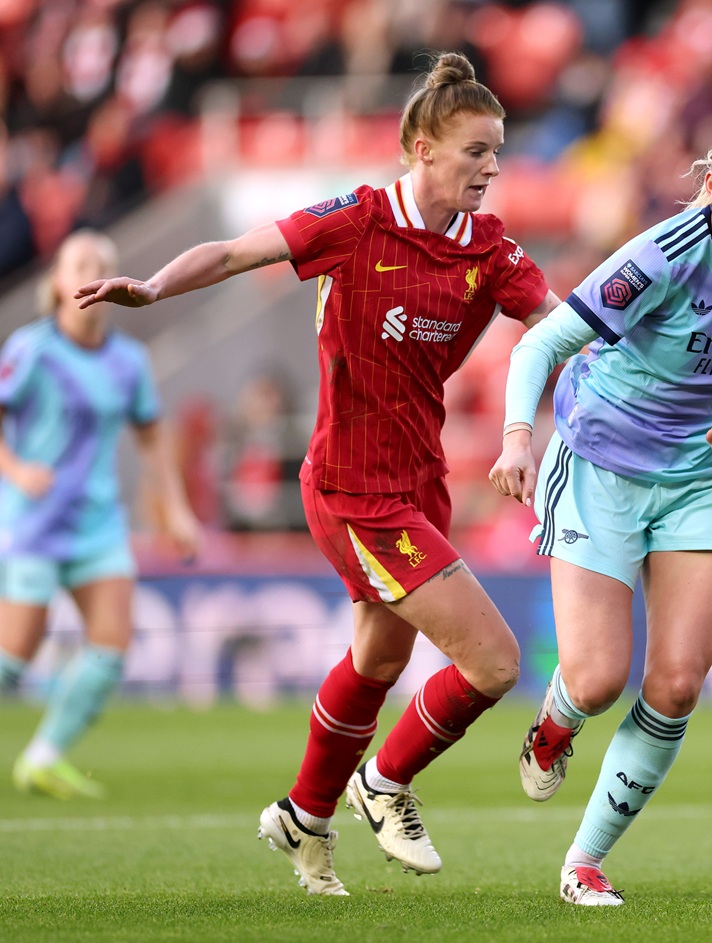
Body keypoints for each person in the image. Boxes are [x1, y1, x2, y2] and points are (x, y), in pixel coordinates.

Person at [76, 52, 559, 895]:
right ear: (422, 148)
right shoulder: (357, 220)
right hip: (351, 485)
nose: (491, 168)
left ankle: (304, 815)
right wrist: (153, 287)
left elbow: (564, 327)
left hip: (420, 481)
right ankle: (386, 782)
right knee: (493, 662)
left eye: (497, 152)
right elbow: (235, 252)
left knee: (377, 659)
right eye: (476, 151)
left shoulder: (489, 251)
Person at [490, 113, 712, 906]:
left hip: (702, 478)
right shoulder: (660, 258)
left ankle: (584, 861)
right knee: (598, 678)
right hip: (601, 464)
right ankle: (557, 719)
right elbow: (541, 343)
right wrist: (517, 437)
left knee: (675, 685)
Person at [0, 230, 200, 799]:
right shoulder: (31, 349)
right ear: (57, 282)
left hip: (97, 524)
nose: (91, 269)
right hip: (33, 521)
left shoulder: (129, 360)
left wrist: (176, 510)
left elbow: (151, 437)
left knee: (110, 648)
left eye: (102, 262)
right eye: (79, 262)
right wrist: (16, 470)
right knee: (13, 657)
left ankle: (42, 758)